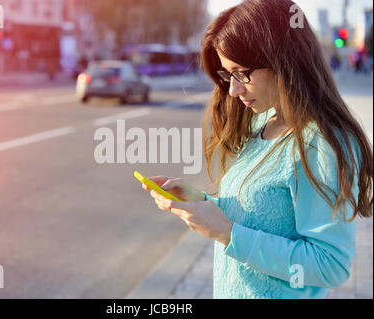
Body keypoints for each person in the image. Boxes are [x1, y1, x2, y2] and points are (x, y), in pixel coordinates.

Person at [140, 0, 372, 299]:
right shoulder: (263, 121)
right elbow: (265, 216)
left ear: (282, 61)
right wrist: (202, 202)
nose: (233, 90)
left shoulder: (322, 143)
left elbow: (331, 265)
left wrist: (226, 233)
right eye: (228, 75)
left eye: (241, 73)